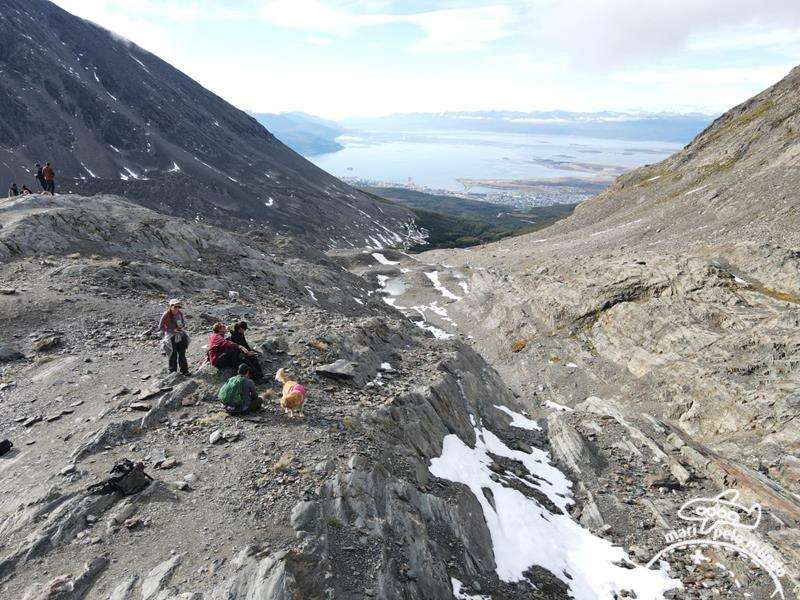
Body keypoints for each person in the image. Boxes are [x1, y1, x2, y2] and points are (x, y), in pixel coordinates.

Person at [159, 299, 190, 376]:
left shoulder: (180, 313)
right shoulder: (166, 314)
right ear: (171, 306)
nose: (177, 308)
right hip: (171, 337)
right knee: (173, 355)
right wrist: (172, 330)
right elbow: (161, 327)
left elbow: (183, 323)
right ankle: (173, 373)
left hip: (181, 335)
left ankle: (185, 371)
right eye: (175, 307)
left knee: (182, 354)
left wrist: (181, 327)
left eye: (178, 307)